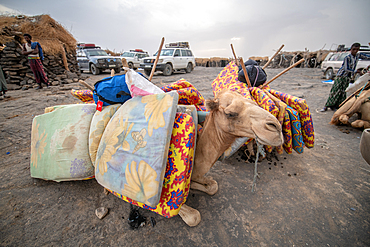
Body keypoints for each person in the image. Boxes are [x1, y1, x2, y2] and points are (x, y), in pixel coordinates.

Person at [321, 43, 370, 112]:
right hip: (341, 76)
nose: (355, 51)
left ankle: (337, 105)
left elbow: (367, 56)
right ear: (351, 49)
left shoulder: (358, 56)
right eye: (354, 49)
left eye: (357, 49)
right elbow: (346, 68)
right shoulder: (347, 57)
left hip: (347, 77)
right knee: (335, 91)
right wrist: (356, 71)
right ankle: (327, 106)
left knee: (343, 92)